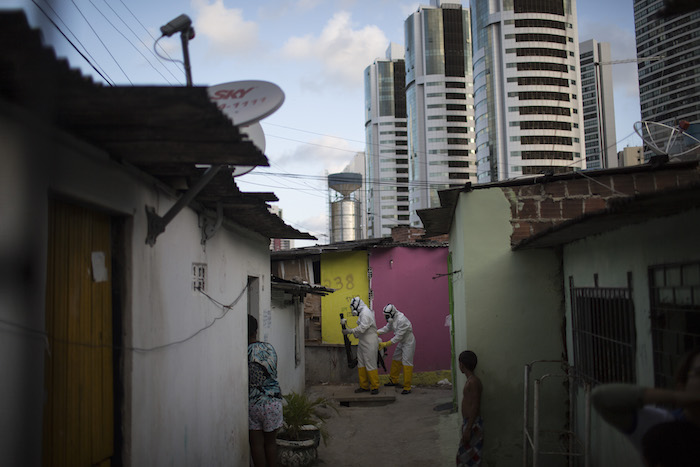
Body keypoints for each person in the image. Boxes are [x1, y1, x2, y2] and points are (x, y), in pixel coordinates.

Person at [591, 348, 700, 458]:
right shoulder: (663, 425)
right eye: (699, 372)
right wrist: (676, 397)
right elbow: (600, 397)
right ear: (681, 386)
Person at [248, 315, 283, 467]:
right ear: (256, 331)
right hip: (273, 403)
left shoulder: (243, 352)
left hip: (254, 404)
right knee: (270, 443)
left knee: (256, 445)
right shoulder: (269, 348)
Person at [341, 296, 380, 394]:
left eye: (353, 309)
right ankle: (364, 386)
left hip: (370, 341)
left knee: (370, 363)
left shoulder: (366, 313)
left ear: (356, 306)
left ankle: (375, 386)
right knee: (361, 363)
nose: (353, 311)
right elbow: (361, 328)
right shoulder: (362, 313)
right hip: (363, 341)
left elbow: (362, 328)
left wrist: (349, 331)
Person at [377, 303, 416, 394]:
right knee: (396, 358)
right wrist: (377, 332)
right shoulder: (393, 318)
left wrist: (386, 344)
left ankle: (407, 387)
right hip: (402, 341)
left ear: (391, 313)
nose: (386, 317)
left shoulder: (402, 320)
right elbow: (387, 328)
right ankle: (393, 380)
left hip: (408, 342)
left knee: (407, 362)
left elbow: (398, 337)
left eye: (387, 315)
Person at [456, 350, 483, 467]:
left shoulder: (473, 382)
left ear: (461, 364)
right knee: (465, 458)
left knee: (469, 459)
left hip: (473, 424)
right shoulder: (471, 380)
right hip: (469, 423)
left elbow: (475, 405)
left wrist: (468, 428)